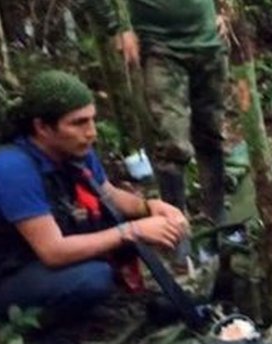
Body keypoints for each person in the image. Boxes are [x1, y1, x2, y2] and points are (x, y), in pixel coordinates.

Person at [0, 70, 188, 344]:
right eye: (78, 123)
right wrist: (132, 231)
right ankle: (30, 331)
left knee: (120, 231)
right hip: (6, 274)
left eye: (92, 120)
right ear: (42, 127)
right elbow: (53, 251)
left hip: (46, 250)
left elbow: (108, 195)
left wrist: (150, 207)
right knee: (92, 278)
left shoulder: (75, 150)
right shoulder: (12, 169)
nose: (91, 132)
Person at [83, 0, 230, 226]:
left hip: (208, 43)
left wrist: (224, 9)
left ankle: (218, 218)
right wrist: (117, 29)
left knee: (211, 133)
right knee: (173, 143)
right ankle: (176, 228)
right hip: (161, 48)